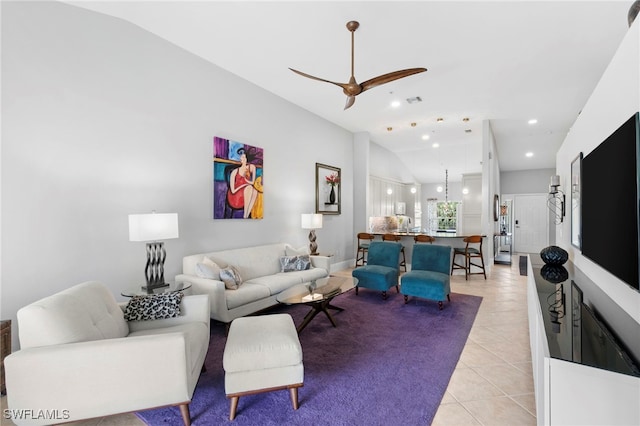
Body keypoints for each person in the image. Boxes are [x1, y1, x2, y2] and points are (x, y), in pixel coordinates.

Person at [227, 148, 259, 218]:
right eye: (241, 157)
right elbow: (233, 191)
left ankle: (246, 215)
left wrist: (246, 181)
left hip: (246, 195)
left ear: (247, 159)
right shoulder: (235, 171)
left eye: (243, 157)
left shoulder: (251, 167)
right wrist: (244, 184)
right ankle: (245, 215)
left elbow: (252, 182)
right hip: (235, 198)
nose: (241, 158)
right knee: (249, 188)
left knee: (255, 191)